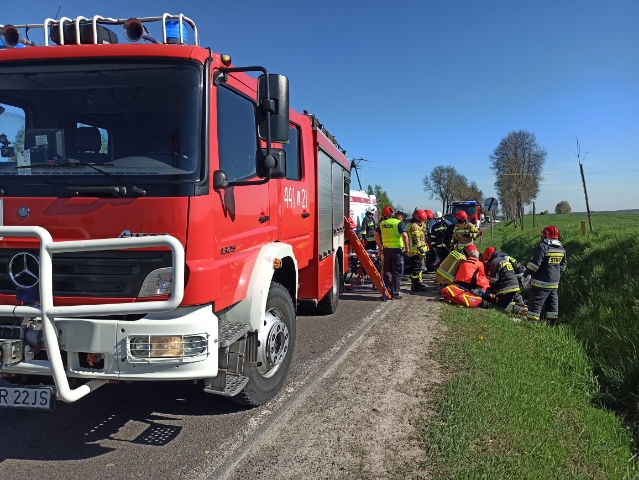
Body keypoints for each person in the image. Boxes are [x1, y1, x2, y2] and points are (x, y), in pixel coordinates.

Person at [523, 226, 567, 322]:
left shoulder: (542, 247)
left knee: (536, 301)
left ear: (544, 236)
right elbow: (563, 266)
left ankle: (532, 322)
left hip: (541, 281)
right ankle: (551, 322)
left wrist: (526, 275)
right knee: (552, 302)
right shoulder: (561, 249)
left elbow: (534, 265)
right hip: (555, 282)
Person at [374, 209, 409, 299]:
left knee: (387, 271)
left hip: (386, 250)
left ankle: (386, 292)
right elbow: (405, 235)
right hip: (397, 250)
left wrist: (380, 245)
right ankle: (395, 293)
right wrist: (407, 248)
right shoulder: (399, 223)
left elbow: (375, 233)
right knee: (397, 272)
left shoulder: (383, 223)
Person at [482, 247, 527, 314]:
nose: (488, 262)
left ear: (489, 256)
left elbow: (494, 280)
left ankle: (525, 311)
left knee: (502, 306)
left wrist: (487, 284)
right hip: (515, 285)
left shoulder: (495, 261)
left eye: (487, 259)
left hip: (505, 288)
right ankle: (526, 309)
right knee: (515, 300)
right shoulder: (504, 260)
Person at [406, 209, 428, 292]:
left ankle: (417, 283)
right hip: (416, 251)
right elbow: (416, 239)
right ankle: (415, 285)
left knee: (415, 268)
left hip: (412, 251)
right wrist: (421, 249)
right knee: (417, 269)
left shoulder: (410, 224)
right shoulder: (415, 226)